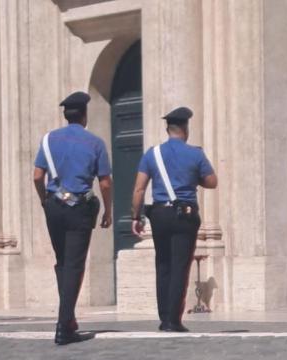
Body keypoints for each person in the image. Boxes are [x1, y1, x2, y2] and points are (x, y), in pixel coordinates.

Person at [32, 91, 113, 345]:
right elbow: (105, 182)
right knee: (75, 265)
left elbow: (37, 176)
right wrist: (108, 210)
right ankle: (64, 326)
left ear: (66, 116)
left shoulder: (48, 140)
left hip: (54, 206)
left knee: (63, 263)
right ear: (84, 115)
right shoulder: (95, 143)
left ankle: (68, 319)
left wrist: (44, 200)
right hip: (79, 207)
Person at [130, 106, 218, 332]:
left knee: (163, 264)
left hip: (160, 214)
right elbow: (212, 182)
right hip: (185, 214)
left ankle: (163, 318)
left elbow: (139, 189)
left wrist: (135, 216)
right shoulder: (195, 154)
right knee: (180, 266)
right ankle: (173, 320)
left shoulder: (152, 154)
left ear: (167, 129)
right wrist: (193, 178)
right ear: (185, 128)